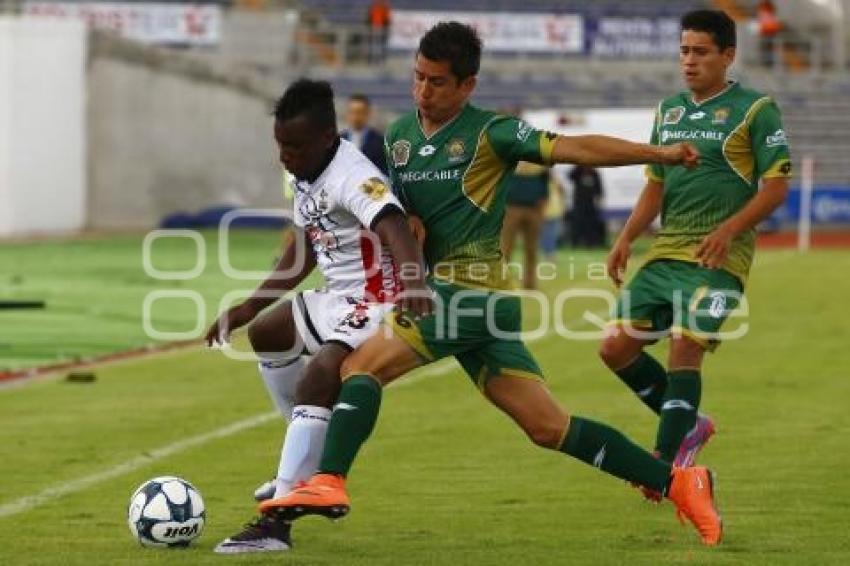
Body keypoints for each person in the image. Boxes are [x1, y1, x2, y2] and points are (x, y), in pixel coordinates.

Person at [262, 22, 723, 546]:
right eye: (418, 78)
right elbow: (390, 211)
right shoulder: (399, 137)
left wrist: (657, 154)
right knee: (548, 427)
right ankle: (681, 482)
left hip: (470, 293)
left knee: (357, 368)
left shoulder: (492, 133)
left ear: (467, 86)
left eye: (437, 82)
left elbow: (574, 147)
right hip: (465, 305)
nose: (424, 92)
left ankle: (327, 480)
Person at [206, 79, 430, 553]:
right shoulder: (305, 170)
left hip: (378, 298)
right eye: (280, 144)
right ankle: (302, 465)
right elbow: (307, 245)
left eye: (295, 146)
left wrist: (413, 281)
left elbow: (392, 223)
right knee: (268, 331)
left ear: (328, 138)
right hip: (338, 295)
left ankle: (278, 518)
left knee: (321, 375)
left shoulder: (354, 174)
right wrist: (249, 306)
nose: (286, 155)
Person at [598, 10, 790, 502]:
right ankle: (691, 423)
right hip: (665, 254)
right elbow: (655, 187)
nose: (689, 60)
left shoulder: (754, 109)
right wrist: (625, 238)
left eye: (700, 51)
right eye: (684, 50)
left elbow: (776, 188)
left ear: (728, 55)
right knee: (614, 348)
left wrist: (730, 229)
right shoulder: (669, 111)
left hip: (717, 259)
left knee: (685, 345)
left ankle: (664, 465)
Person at [501, 161, 550, 289]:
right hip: (511, 208)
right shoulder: (509, 159)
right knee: (506, 247)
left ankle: (530, 283)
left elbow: (545, 187)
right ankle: (500, 281)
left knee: (531, 249)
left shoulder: (541, 165)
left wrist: (543, 210)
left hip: (534, 209)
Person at [341, 93, 388, 175]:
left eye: (360, 112)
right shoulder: (337, 142)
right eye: (352, 112)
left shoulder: (380, 142)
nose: (356, 116)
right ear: (347, 114)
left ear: (368, 113)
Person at [568, 164, 606, 247]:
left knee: (590, 224)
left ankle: (591, 242)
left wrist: (599, 199)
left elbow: (599, 189)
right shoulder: (578, 171)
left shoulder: (594, 173)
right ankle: (575, 243)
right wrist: (579, 165)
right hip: (579, 203)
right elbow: (570, 176)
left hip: (590, 203)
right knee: (577, 223)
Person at [540, 169, 566, 262]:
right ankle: (549, 254)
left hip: (555, 211)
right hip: (545, 212)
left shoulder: (554, 183)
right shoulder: (543, 184)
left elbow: (562, 191)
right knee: (547, 234)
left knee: (552, 234)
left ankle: (549, 253)